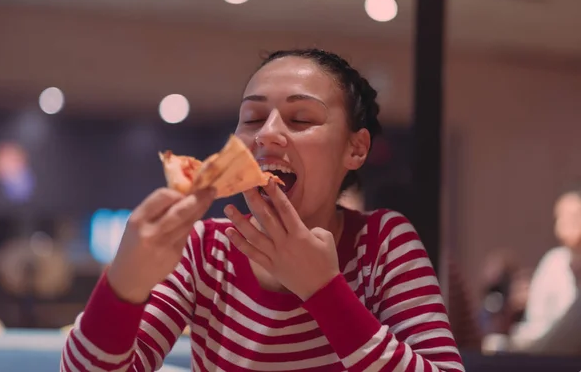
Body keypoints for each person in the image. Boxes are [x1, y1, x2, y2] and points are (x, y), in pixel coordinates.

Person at [61, 49, 463, 371]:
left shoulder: (382, 244)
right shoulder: (205, 250)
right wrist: (122, 287)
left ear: (355, 148)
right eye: (252, 118)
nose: (268, 133)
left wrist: (323, 291)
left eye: (301, 118)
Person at [511, 182, 581, 349]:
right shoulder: (553, 262)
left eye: (574, 216)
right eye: (561, 217)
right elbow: (536, 321)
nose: (566, 223)